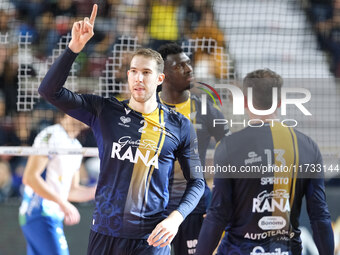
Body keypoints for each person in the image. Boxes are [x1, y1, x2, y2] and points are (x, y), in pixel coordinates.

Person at [38, 4, 204, 255]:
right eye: (134, 72)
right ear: (128, 76)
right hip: (105, 233)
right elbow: (49, 92)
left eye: (146, 73)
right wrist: (74, 48)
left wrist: (176, 218)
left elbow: (197, 181)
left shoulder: (179, 125)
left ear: (160, 79)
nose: (139, 78)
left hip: (151, 238)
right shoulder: (105, 111)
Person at [195, 69, 334, 255]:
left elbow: (218, 214)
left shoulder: (228, 146)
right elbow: (319, 216)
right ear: (280, 102)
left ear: (244, 102)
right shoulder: (308, 147)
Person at [157, 43, 229, 255]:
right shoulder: (146, 109)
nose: (189, 69)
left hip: (194, 209)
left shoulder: (206, 110)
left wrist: (221, 201)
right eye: (180, 66)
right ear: (163, 75)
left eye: (189, 64)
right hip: (152, 210)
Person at [19, 113, 96, 255]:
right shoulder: (51, 134)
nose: (85, 112)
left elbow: (72, 191)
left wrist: (102, 190)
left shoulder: (77, 147)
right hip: (38, 211)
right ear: (67, 111)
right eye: (81, 108)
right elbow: (30, 178)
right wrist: (63, 203)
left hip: (53, 215)